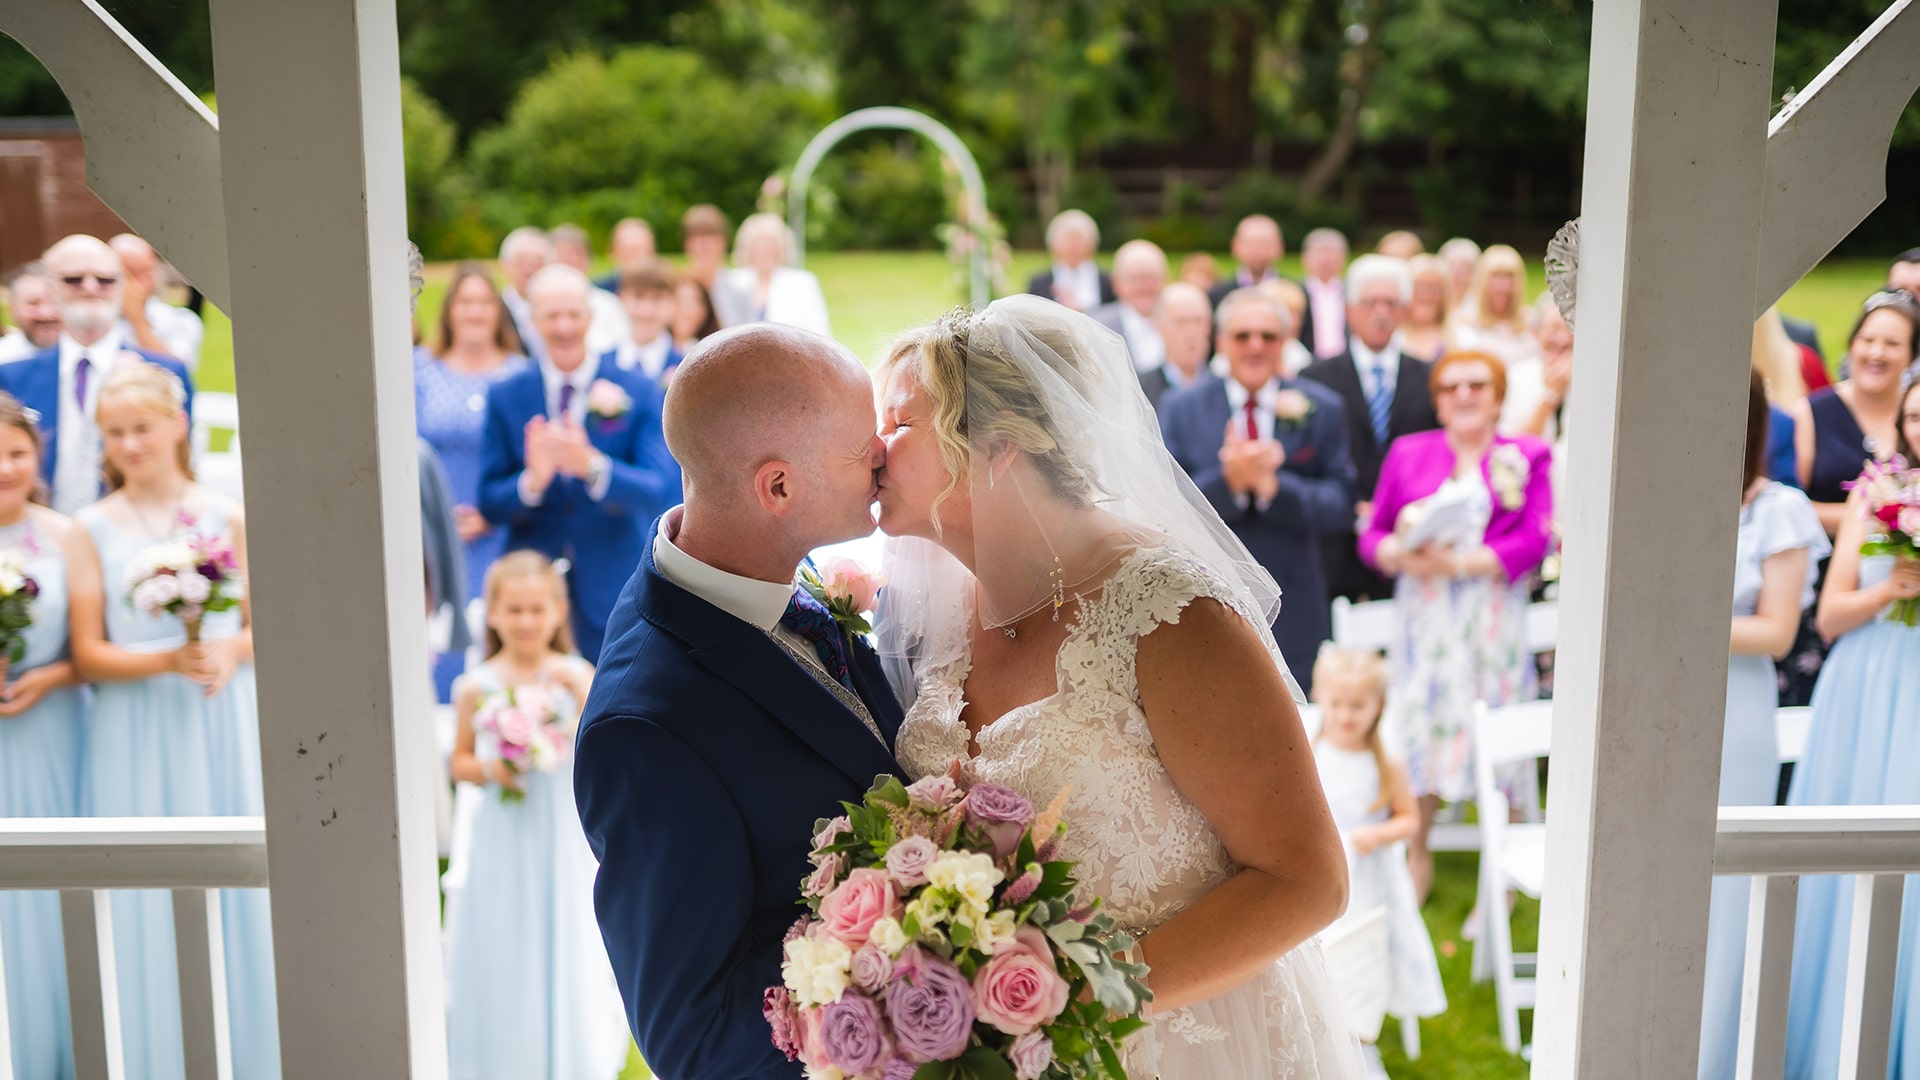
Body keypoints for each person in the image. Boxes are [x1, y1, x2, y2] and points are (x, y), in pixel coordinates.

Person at [878, 295, 1360, 1077]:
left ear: (998, 447)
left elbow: (1307, 881)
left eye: (899, 426)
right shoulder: (932, 611)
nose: (874, 447)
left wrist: (1062, 1006)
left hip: (1181, 1039)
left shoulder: (1168, 612)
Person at [572, 323, 903, 1079]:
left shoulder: (765, 569)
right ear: (778, 487)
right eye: (862, 446)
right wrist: (934, 989)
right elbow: (696, 1040)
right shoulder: (650, 730)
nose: (884, 454)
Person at [69, 362, 279, 1079]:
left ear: (177, 426)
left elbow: (270, 629)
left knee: (237, 870)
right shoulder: (88, 528)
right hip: (134, 727)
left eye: (142, 428)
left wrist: (227, 647)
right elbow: (89, 651)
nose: (130, 444)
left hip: (220, 722)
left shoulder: (227, 517)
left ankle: (249, 1050)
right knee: (139, 885)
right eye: (116, 433)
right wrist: (165, 661)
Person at [1359, 351, 1553, 901]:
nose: (1464, 396)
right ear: (1438, 400)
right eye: (1451, 388)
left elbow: (1535, 538)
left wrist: (1460, 564)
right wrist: (1397, 550)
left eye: (1477, 385)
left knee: (1494, 725)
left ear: (1497, 395)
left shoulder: (1526, 454)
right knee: (1419, 724)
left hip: (1489, 620)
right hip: (1424, 622)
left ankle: (1503, 873)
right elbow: (1372, 533)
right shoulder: (1409, 452)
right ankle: (1416, 854)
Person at [1781, 376, 1920, 1080]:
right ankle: (1832, 1044)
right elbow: (1829, 617)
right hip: (1865, 689)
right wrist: (1889, 588)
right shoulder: (1876, 492)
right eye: (1916, 418)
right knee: (1853, 848)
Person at [444, 552, 628, 1080]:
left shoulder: (575, 676)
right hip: (504, 832)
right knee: (504, 935)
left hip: (561, 832)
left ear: (555, 613)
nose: (525, 621)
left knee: (567, 932)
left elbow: (605, 747)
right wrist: (488, 767)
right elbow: (457, 762)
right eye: (514, 610)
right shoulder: (475, 685)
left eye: (535, 610)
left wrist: (578, 696)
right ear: (495, 615)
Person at [1694, 372, 1829, 1080]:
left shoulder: (1780, 510)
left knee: (1723, 878)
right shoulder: (1673, 503)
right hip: (1667, 691)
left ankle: (1713, 1052)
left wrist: (1673, 617)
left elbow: (1777, 632)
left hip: (1740, 705)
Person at [478, 265, 679, 664]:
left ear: (590, 317)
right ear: (533, 321)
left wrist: (591, 465)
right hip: (530, 595)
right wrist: (532, 482)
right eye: (552, 316)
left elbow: (656, 487)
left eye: (573, 314)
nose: (565, 326)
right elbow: (489, 500)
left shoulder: (636, 390)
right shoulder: (506, 395)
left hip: (612, 584)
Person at [1160, 288, 1356, 693]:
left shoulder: (1322, 406)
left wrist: (1275, 489)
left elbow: (1341, 503)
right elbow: (1163, 501)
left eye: (1267, 336)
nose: (1254, 346)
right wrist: (1227, 483)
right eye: (1242, 335)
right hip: (1207, 595)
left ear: (1284, 343)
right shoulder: (1182, 407)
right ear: (1221, 342)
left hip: (1295, 600)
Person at [1777, 290, 1918, 707]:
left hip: (1898, 583)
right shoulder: (1812, 412)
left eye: (1892, 344)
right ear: (1852, 344)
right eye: (1868, 339)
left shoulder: (1914, 419)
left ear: (1911, 356)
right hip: (1822, 578)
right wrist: (1872, 515)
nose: (1876, 352)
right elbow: (1788, 502)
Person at [0, 394, 85, 1080]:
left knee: (62, 881)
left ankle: (65, 1042)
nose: (5, 467)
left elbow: (95, 643)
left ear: (38, 457)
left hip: (56, 726)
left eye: (17, 453)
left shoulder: (66, 536)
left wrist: (51, 677)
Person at [0, 235, 195, 516]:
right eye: (73, 279)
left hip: (136, 529)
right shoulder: (12, 376)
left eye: (105, 280)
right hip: (39, 537)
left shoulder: (164, 372)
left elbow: (184, 465)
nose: (90, 288)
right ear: (50, 288)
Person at [1312, 648, 1448, 1039]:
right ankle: (1323, 1032)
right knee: (1322, 950)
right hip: (1325, 868)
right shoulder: (1312, 752)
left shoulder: (1386, 761)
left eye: (1357, 705)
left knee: (1361, 955)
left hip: (1368, 881)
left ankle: (1360, 1037)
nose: (1345, 715)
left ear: (1378, 706)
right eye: (1336, 704)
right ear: (1320, 696)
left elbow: (1409, 819)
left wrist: (1376, 834)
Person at [415, 262, 531, 698]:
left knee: (494, 620)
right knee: (437, 626)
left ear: (497, 311)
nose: (475, 312)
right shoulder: (421, 369)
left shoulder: (519, 373)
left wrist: (492, 512)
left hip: (498, 525)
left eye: (484, 302)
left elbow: (530, 456)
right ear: (449, 311)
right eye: (465, 302)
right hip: (431, 523)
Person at [1303, 255, 1441, 604]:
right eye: (1370, 303)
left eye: (1391, 303)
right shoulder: (1314, 379)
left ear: (1405, 311)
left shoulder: (1429, 378)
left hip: (1406, 542)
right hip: (1334, 541)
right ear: (1349, 310)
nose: (1381, 312)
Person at [719, 213, 832, 338]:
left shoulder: (802, 283)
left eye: (770, 247)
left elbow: (820, 333)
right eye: (759, 247)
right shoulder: (731, 281)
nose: (764, 253)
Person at [109, 234, 204, 369]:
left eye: (146, 273)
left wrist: (136, 317)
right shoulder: (88, 317)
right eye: (129, 274)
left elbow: (177, 372)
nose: (138, 283)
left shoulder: (181, 320)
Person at [1449, 244, 1539, 372]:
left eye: (1509, 276)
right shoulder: (1465, 323)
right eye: (1495, 276)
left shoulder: (1532, 322)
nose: (1502, 285)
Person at [549, 223, 631, 357]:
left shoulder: (609, 304)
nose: (572, 261)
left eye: (578, 254)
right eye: (563, 255)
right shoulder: (537, 305)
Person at [1091, 238, 1168, 372]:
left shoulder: (1181, 320)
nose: (1144, 286)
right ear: (1116, 283)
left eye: (1151, 277)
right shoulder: (1097, 326)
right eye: (1135, 279)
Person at [1507, 294, 1573, 442]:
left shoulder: (1593, 379)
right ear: (1536, 332)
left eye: (1569, 329)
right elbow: (1514, 448)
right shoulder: (1516, 376)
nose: (1563, 339)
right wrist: (1551, 394)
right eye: (1554, 329)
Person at [1139, 281, 1212, 410]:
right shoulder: (1141, 391)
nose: (1191, 333)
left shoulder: (1223, 386)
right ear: (1159, 326)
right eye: (1181, 322)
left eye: (1198, 321)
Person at [1025, 209, 1113, 312]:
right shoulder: (1039, 283)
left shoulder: (1106, 281)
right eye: (1068, 240)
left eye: (1079, 240)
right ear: (1054, 246)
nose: (1073, 246)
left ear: (1091, 246)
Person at [612, 260, 684, 384]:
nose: (647, 311)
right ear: (622, 299)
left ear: (673, 303)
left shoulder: (684, 368)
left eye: (657, 298)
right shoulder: (600, 363)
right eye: (638, 297)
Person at [1208, 214, 1289, 309]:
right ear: (1235, 246)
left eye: (1266, 244)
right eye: (1250, 245)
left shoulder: (1296, 293)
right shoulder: (1217, 294)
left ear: (1280, 247)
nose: (1258, 251)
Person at [497, 226, 554, 358]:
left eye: (538, 261)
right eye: (520, 261)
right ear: (504, 265)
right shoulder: (494, 310)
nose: (529, 268)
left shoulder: (563, 308)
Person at [1300, 227, 1351, 361]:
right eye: (1319, 252)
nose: (1325, 259)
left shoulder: (1352, 294)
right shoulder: (1296, 293)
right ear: (1305, 258)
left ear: (1343, 259)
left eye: (1332, 253)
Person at [0, 263, 63, 362]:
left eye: (55, 302)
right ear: (12, 310)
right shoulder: (3, 358)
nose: (46, 314)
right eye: (33, 303)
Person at [1400, 255, 1452, 363]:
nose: (1426, 295)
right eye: (1419, 287)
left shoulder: (1464, 338)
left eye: (1434, 288)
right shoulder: (1392, 337)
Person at [592, 217, 657, 294]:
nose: (633, 256)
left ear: (652, 253)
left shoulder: (663, 289)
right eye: (626, 249)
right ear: (611, 252)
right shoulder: (596, 291)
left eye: (638, 249)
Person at [671, 277, 721, 353]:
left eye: (693, 303)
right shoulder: (654, 348)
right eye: (679, 301)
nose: (686, 311)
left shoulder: (711, 351)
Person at [1437, 237, 1481, 314]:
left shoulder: (1480, 304)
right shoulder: (1436, 300)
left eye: (1464, 268)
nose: (1458, 273)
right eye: (1453, 266)